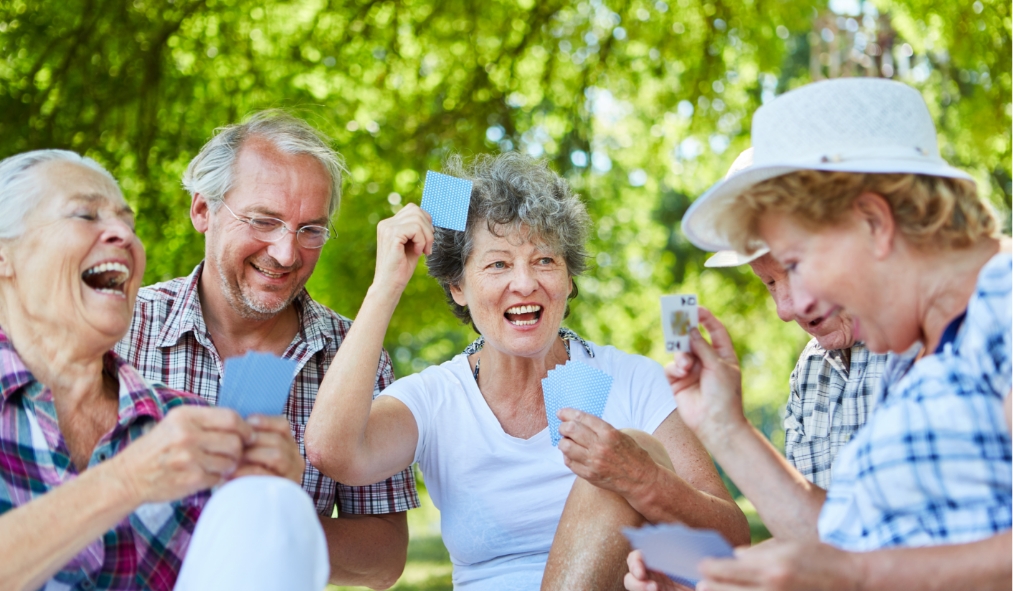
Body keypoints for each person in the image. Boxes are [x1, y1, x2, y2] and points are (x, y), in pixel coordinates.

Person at [627, 78, 1011, 590]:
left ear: (874, 222)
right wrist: (722, 429)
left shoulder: (1002, 301)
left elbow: (857, 569)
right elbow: (840, 544)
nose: (796, 305)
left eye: (797, 262)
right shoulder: (911, 355)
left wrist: (858, 575)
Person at [304, 152, 750, 590]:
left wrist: (642, 478)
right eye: (498, 263)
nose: (524, 282)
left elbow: (733, 539)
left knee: (632, 449)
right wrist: (387, 284)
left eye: (545, 260)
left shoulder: (634, 380)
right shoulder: (435, 397)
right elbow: (332, 452)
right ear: (458, 287)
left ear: (570, 279)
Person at [113, 111, 418, 589]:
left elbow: (385, 557)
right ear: (202, 211)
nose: (285, 253)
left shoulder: (353, 356)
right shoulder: (123, 330)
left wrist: (275, 518)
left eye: (310, 230)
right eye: (263, 221)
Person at [0, 149, 328, 591]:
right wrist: (126, 481)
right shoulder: (162, 450)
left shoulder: (187, 429)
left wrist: (269, 509)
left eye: (128, 224)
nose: (122, 234)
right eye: (85, 215)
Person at [704, 148, 887, 489]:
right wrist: (724, 422)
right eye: (770, 283)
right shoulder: (810, 369)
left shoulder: (936, 337)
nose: (786, 310)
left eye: (796, 269)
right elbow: (814, 528)